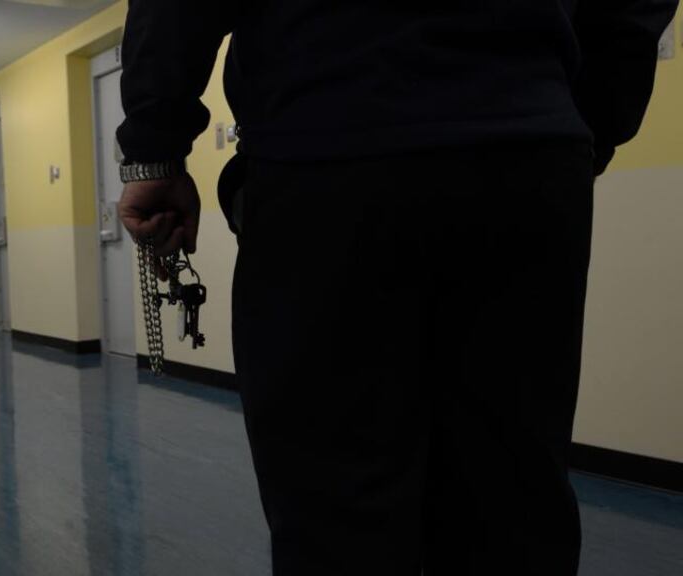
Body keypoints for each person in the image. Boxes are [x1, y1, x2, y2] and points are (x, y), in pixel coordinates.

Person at [115, 1, 678, 574]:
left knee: (337, 507)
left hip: (325, 150)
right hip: (526, 159)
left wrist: (153, 151)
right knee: (515, 496)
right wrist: (584, 121)